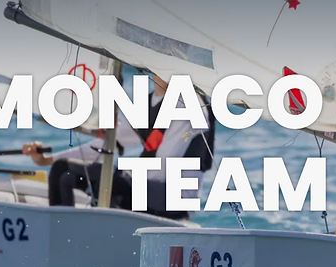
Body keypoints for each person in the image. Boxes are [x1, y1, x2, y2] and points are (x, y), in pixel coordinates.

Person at [22, 74, 216, 220]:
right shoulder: (148, 104)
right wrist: (48, 159)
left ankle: (69, 240)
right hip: (145, 192)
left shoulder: (191, 105)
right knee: (64, 174)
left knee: (98, 177)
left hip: (173, 200)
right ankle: (64, 238)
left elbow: (164, 160)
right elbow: (107, 144)